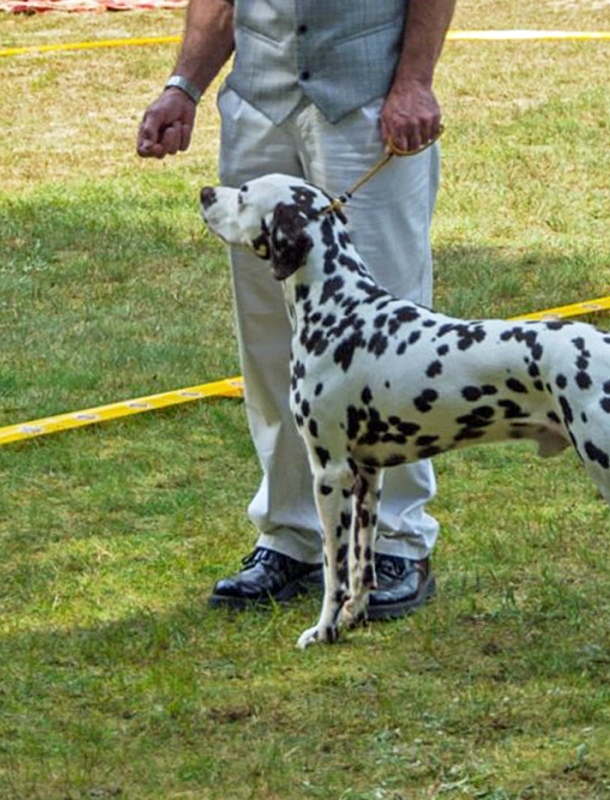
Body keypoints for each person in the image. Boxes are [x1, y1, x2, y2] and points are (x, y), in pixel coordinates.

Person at [136, 0, 456, 619]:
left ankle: (398, 540)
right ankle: (291, 536)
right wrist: (184, 86)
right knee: (270, 336)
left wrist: (414, 82)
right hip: (258, 108)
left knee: (388, 338)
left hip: (367, 108)